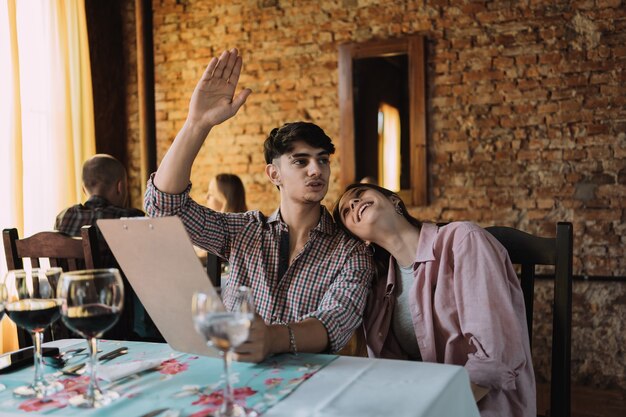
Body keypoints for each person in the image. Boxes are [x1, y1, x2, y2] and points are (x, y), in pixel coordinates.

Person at [144, 48, 373, 362]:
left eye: (322, 160)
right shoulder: (244, 230)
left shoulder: (351, 252)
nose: (316, 170)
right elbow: (163, 208)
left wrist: (273, 338)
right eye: (301, 161)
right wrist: (196, 124)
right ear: (274, 173)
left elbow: (337, 321)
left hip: (309, 386)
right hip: (234, 377)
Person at [333, 183, 536, 417]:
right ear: (361, 240)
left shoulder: (462, 240)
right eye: (346, 211)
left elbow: (494, 357)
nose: (354, 204)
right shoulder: (378, 290)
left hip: (481, 406)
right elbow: (388, 372)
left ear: (395, 201)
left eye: (359, 195)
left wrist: (433, 409)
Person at [54, 153, 162, 342]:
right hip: (116, 325)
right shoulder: (130, 218)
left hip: (69, 322)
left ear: (83, 188)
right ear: (120, 186)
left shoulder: (63, 217)